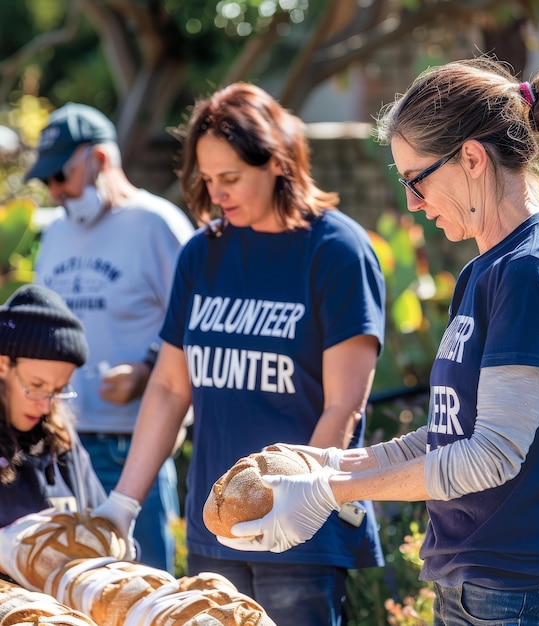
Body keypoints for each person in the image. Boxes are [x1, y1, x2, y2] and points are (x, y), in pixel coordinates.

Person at [213, 48, 539, 626]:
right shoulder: (487, 269)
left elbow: (492, 455)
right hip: (483, 587)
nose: (412, 202)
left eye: (417, 179)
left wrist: (335, 492)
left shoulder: (535, 269)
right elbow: (453, 433)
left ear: (472, 158)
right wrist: (335, 463)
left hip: (526, 593)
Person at [92, 81, 386, 625]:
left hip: (302, 536)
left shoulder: (338, 252)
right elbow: (169, 387)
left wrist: (306, 500)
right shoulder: (202, 254)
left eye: (231, 178)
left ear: (277, 162)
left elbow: (344, 406)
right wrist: (124, 503)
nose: (217, 193)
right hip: (215, 535)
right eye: (207, 179)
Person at [25, 103, 195, 574]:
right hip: (57, 442)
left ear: (99, 159)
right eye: (47, 181)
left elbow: (195, 324)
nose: (55, 191)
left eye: (60, 175)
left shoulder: (158, 225)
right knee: (68, 591)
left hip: (131, 446)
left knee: (145, 589)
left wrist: (145, 369)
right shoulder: (56, 233)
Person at [0, 283, 105, 532]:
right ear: (3, 364)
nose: (46, 405)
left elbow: (99, 522)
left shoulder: (63, 439)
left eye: (58, 391)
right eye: (36, 386)